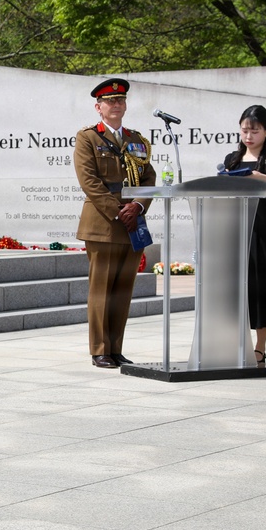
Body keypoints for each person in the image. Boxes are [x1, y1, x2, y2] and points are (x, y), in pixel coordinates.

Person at [73, 78, 156, 368]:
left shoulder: (136, 140)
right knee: (101, 289)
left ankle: (116, 349)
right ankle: (99, 349)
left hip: (133, 223)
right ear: (99, 107)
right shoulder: (88, 138)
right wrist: (119, 210)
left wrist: (138, 205)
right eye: (110, 101)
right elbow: (89, 181)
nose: (116, 105)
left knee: (123, 289)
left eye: (120, 100)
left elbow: (149, 177)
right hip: (104, 223)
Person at [222, 104, 266, 363]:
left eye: (255, 130)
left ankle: (259, 348)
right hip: (234, 228)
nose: (249, 136)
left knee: (262, 287)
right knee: (236, 289)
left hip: (261, 229)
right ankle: (238, 345)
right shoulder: (232, 159)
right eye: (245, 130)